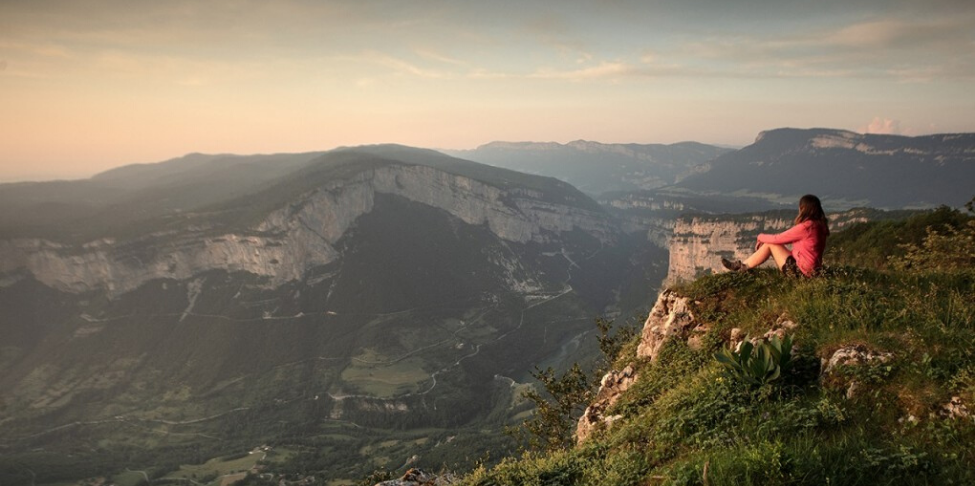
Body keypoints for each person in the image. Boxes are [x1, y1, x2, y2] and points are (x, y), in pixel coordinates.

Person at [721, 194, 829, 277]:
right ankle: (742, 266)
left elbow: (778, 238)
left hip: (802, 273)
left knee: (770, 244)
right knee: (771, 244)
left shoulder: (806, 227)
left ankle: (741, 268)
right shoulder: (819, 225)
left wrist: (760, 237)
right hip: (813, 271)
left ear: (803, 209)